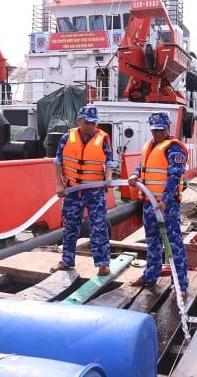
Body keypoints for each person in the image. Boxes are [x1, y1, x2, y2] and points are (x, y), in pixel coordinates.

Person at [128, 111, 189, 301]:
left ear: (168, 127)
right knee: (152, 242)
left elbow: (174, 176)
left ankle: (180, 285)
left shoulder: (174, 149)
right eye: (154, 130)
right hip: (148, 203)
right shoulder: (149, 145)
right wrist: (135, 174)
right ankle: (150, 275)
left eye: (161, 130)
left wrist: (165, 200)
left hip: (166, 205)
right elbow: (141, 165)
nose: (158, 133)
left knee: (173, 244)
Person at [50, 105, 114, 276]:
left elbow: (109, 162)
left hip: (95, 192)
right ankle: (67, 260)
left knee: (99, 227)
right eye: (87, 123)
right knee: (69, 226)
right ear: (79, 121)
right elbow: (58, 162)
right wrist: (59, 184)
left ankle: (103, 263)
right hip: (72, 191)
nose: (90, 127)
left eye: (93, 123)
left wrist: (108, 178)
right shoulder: (67, 137)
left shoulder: (103, 139)